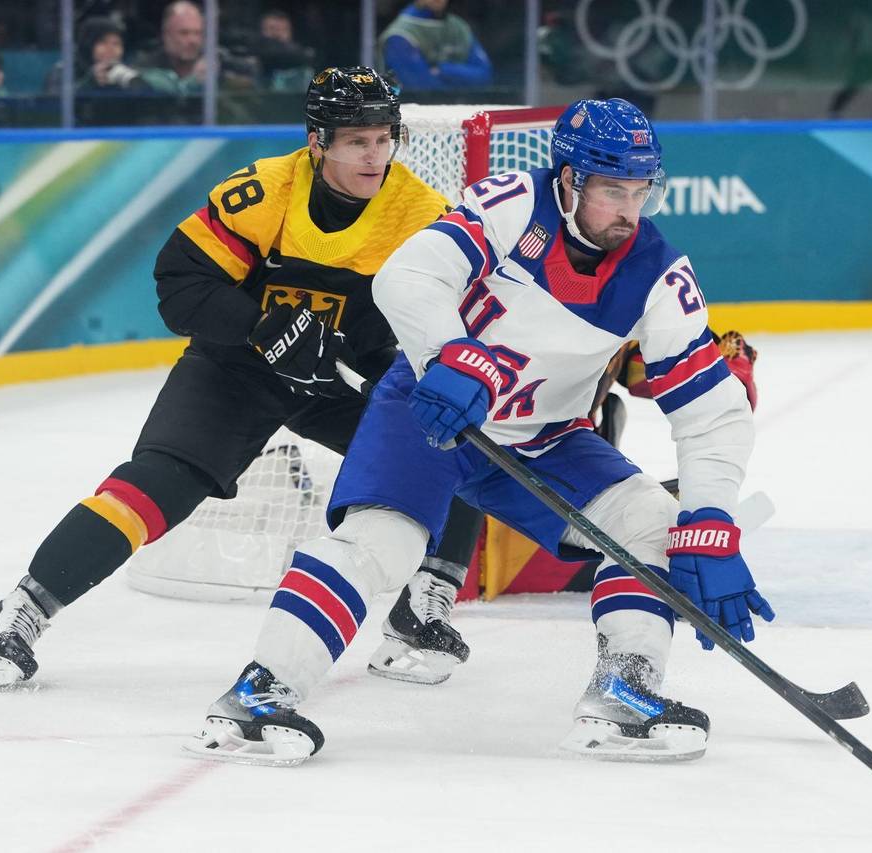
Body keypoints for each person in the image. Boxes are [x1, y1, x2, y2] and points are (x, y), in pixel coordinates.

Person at [187, 98, 770, 767]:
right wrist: (450, 353)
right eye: (614, 190)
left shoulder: (659, 271)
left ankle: (623, 694)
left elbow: (712, 410)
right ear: (570, 180)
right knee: (383, 542)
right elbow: (409, 273)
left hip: (545, 437)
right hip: (434, 410)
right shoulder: (513, 202)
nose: (629, 211)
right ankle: (258, 696)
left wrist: (712, 517)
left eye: (642, 191)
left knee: (656, 524)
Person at [0, 67, 483, 690]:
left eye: (385, 138)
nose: (375, 155)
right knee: (156, 487)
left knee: (458, 445)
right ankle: (17, 615)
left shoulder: (423, 215)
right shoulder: (264, 192)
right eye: (357, 140)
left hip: (341, 376)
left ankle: (422, 609)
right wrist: (261, 326)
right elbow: (180, 285)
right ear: (317, 141)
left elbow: (448, 318)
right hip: (238, 369)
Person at [135, 0, 256, 96]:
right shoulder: (146, 67)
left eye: (198, 33)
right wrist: (195, 82)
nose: (193, 41)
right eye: (184, 33)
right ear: (166, 35)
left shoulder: (218, 62)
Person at [377, 0, 492, 92]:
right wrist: (463, 79)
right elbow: (424, 90)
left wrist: (444, 70)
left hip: (465, 107)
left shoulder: (459, 27)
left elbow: (484, 76)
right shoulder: (400, 35)